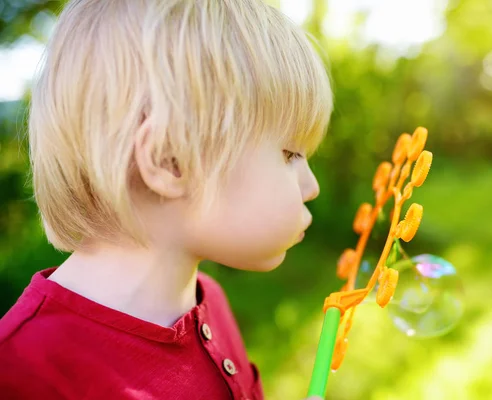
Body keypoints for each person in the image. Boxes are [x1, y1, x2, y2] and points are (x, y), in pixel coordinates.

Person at [0, 0, 332, 399]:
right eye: (289, 154)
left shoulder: (211, 304)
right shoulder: (23, 372)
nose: (310, 185)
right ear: (170, 160)